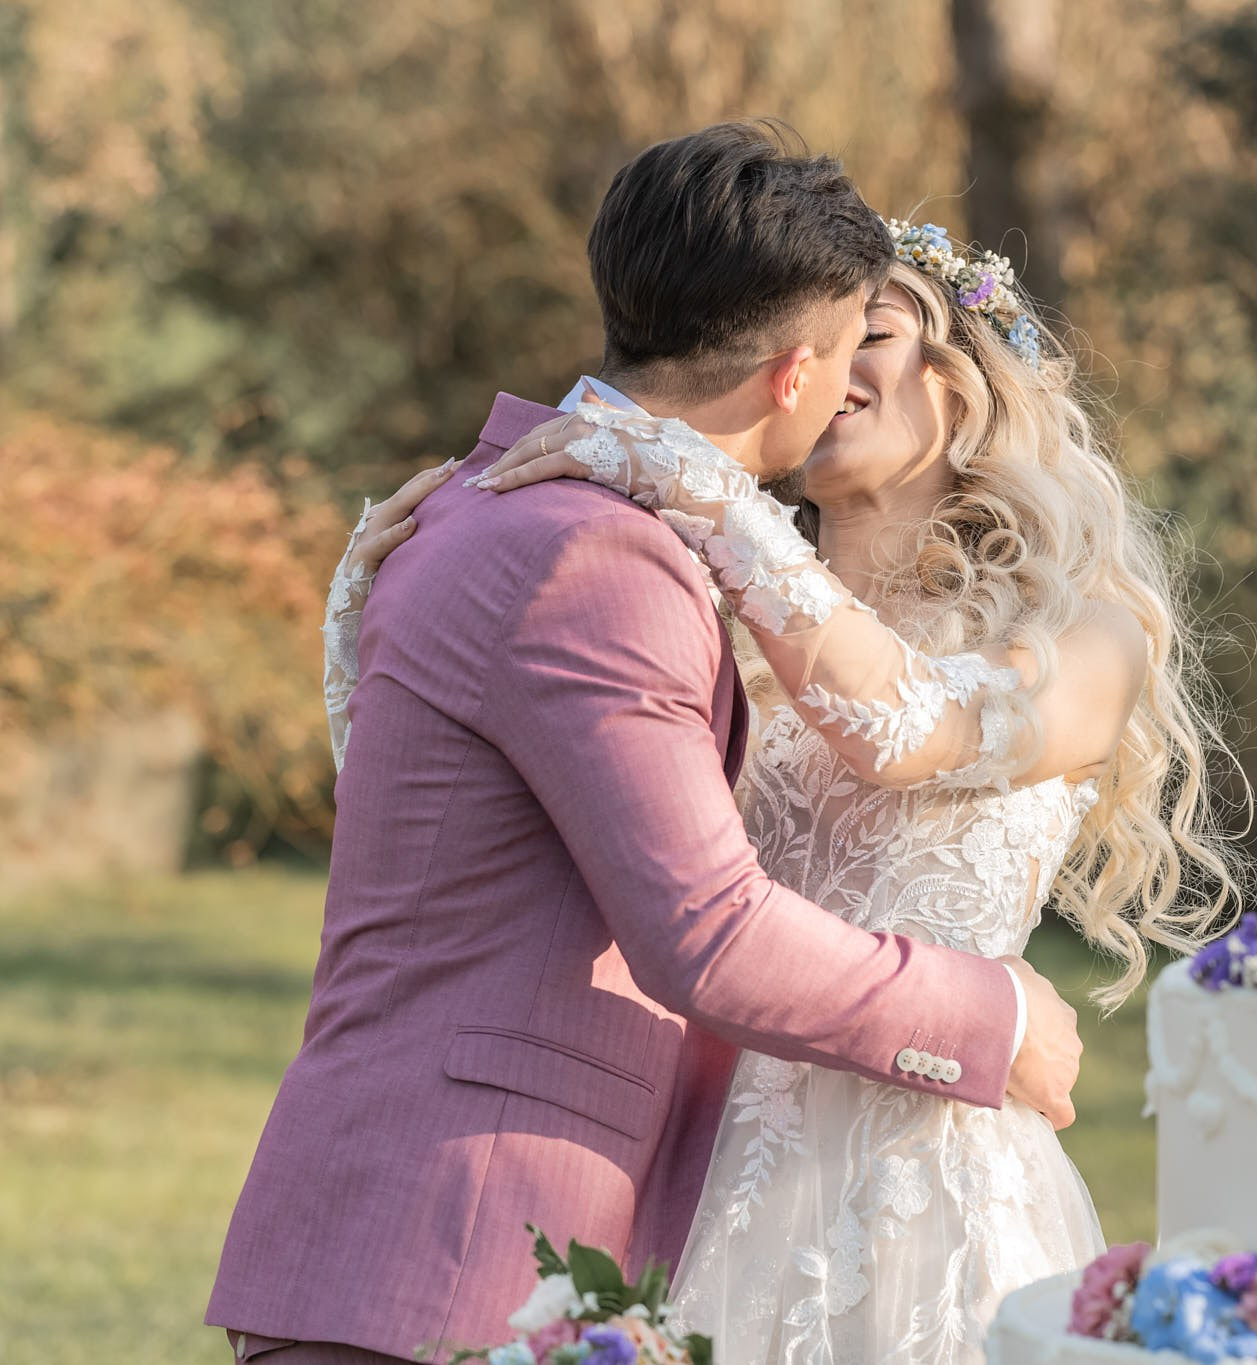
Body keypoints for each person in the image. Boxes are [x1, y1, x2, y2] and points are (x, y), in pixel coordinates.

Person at [206, 122, 1085, 1365]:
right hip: (456, 1243)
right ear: (794, 376)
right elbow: (709, 934)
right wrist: (991, 1017)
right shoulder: (590, 556)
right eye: (845, 357)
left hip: (532, 1230)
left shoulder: (507, 513)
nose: (844, 394)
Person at [331, 215, 1244, 1361]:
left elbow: (909, 727)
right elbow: (521, 847)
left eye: (869, 332)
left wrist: (702, 488)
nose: (821, 364)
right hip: (689, 1179)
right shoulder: (699, 628)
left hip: (926, 1180)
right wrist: (375, 623)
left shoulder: (1083, 639)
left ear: (967, 383)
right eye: (809, 339)